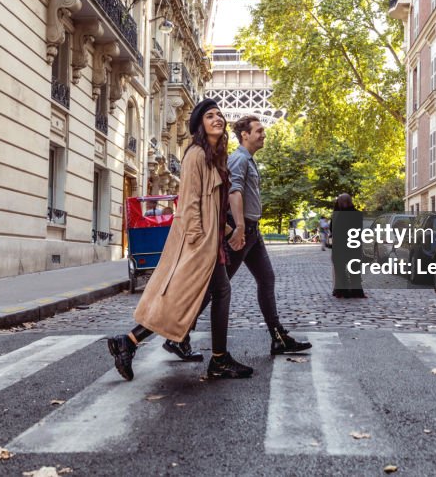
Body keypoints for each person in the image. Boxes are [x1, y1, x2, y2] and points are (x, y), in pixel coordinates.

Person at [107, 99, 253, 381]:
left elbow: (212, 206)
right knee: (200, 295)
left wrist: (226, 232)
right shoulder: (196, 155)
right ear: (200, 124)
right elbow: (189, 203)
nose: (217, 119)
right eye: (210, 116)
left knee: (192, 298)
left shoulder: (213, 156)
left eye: (220, 115)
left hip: (210, 241)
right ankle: (218, 359)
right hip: (198, 243)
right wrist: (200, 241)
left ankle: (130, 341)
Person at [167, 115, 311, 358]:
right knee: (218, 288)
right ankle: (178, 335)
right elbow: (233, 192)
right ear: (245, 134)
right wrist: (240, 228)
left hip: (252, 231)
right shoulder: (238, 159)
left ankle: (278, 337)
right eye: (259, 130)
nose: (264, 134)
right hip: (240, 231)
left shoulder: (249, 161)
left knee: (266, 279)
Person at [330, 193, 365, 298]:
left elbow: (333, 230)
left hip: (340, 247)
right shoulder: (358, 214)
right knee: (354, 270)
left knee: (340, 270)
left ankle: (342, 291)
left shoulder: (338, 215)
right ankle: (356, 291)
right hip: (354, 246)